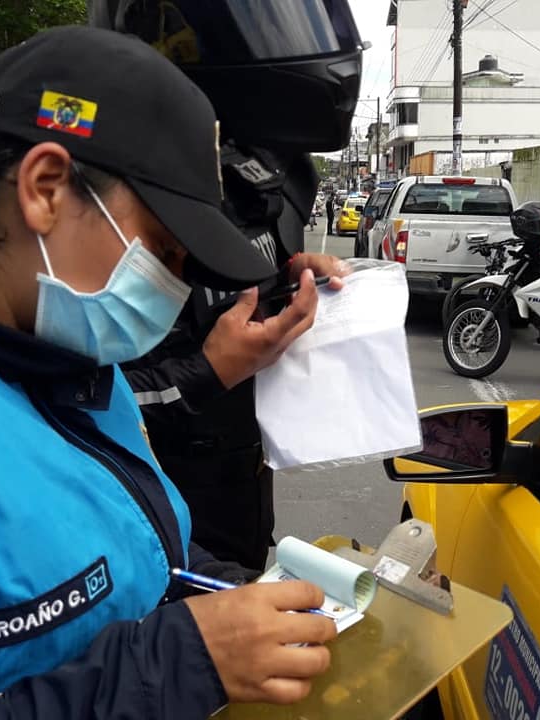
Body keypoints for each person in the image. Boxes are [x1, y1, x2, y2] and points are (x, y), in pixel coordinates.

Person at [0, 26, 337, 719]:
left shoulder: (70, 360)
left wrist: (233, 597)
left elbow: (141, 555)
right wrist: (178, 662)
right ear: (46, 188)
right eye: (164, 250)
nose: (174, 287)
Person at [91, 0, 363, 569]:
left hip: (242, 484)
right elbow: (58, 408)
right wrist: (207, 371)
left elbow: (232, 296)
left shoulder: (269, 172)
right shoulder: (104, 194)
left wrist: (289, 280)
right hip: (139, 512)